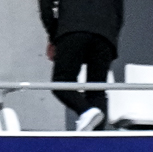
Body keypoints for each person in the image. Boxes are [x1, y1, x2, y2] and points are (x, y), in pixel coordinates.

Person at [39, 0, 121, 131]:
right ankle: (97, 137)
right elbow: (118, 10)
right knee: (97, 90)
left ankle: (86, 111)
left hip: (72, 28)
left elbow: (46, 6)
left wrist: (55, 36)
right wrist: (110, 36)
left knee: (61, 83)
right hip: (105, 35)